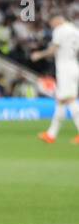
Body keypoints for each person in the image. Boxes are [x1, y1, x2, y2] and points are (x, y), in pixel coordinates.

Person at [32, 15, 79, 144]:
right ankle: (51, 135)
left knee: (70, 99)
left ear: (57, 20)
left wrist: (39, 55)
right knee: (61, 101)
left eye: (51, 23)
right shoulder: (75, 30)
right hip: (73, 65)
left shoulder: (60, 30)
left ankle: (52, 135)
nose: (52, 26)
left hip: (65, 69)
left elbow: (54, 49)